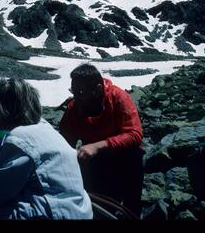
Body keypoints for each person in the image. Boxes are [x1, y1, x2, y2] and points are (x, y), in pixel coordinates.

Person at [0, 78, 93, 220]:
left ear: (3, 110)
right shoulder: (43, 126)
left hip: (56, 212)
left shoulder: (18, 138)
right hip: (80, 208)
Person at [59, 64, 144, 218]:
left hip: (123, 157)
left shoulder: (118, 98)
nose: (76, 97)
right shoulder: (74, 108)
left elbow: (134, 134)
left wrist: (99, 146)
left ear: (97, 90)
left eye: (81, 92)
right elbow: (65, 142)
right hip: (95, 161)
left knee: (135, 156)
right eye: (74, 91)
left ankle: (132, 213)